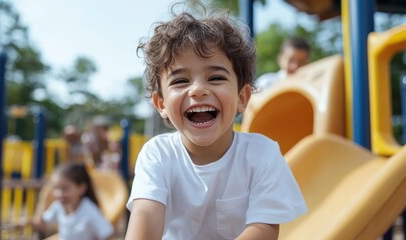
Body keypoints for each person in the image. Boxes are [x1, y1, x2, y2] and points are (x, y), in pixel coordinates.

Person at [125, 2, 307, 240]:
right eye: (180, 81)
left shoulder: (262, 154)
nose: (198, 90)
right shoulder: (158, 154)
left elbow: (264, 230)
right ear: (161, 104)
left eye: (216, 77)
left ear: (242, 97)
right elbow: (146, 219)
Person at [22, 162, 114, 240]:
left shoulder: (89, 210)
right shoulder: (58, 207)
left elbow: (108, 234)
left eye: (65, 188)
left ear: (81, 188)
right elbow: (43, 223)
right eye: (56, 189)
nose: (59, 194)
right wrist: (27, 223)